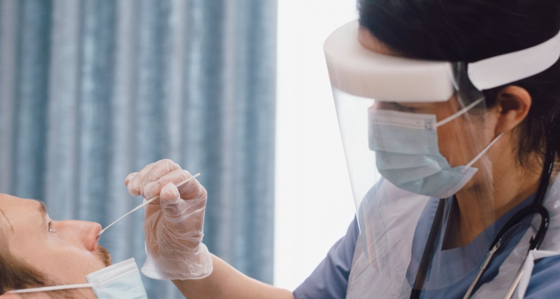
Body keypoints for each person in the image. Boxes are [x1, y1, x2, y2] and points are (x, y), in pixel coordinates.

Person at [3, 0, 560, 298]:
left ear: (507, 108)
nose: (376, 126)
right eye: (371, 98)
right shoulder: (401, 208)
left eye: (401, 106)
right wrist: (189, 265)